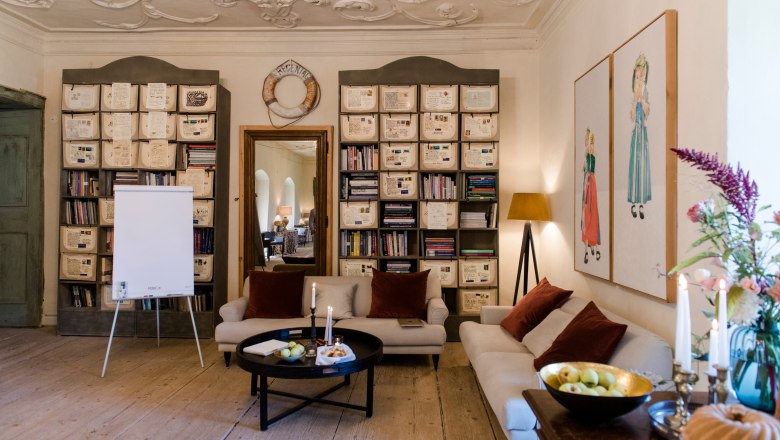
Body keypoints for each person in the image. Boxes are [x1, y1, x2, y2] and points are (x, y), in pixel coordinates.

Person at [627, 53, 651, 220]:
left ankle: (641, 202)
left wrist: (641, 101)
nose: (640, 75)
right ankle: (634, 202)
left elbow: (646, 112)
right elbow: (631, 116)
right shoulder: (633, 92)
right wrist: (635, 102)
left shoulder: (645, 90)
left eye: (642, 72)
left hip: (642, 131)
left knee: (642, 164)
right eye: (638, 72)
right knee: (634, 164)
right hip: (636, 133)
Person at [581, 128, 600, 263]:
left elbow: (591, 149)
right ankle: (590, 241)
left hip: (590, 183)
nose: (586, 142)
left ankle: (592, 241)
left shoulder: (591, 151)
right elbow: (583, 169)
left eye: (588, 139)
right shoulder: (587, 156)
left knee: (591, 213)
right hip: (587, 183)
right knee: (588, 214)